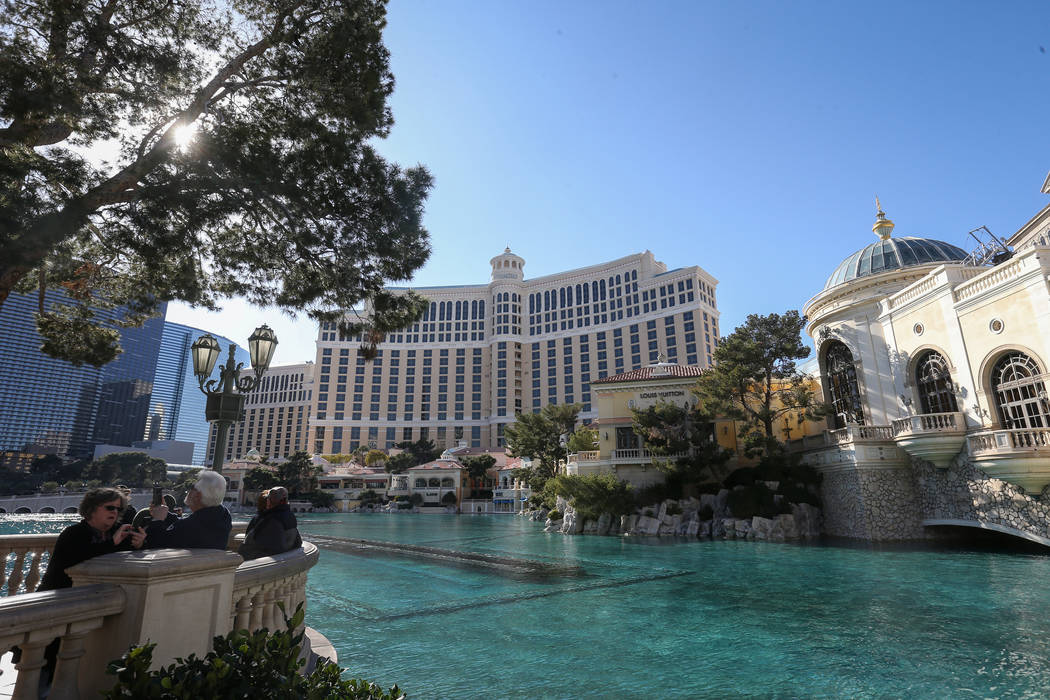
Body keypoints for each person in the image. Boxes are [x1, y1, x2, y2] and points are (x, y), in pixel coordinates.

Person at [39, 487, 146, 591]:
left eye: (119, 509)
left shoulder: (120, 533)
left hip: (100, 595)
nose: (115, 512)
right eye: (110, 508)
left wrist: (139, 544)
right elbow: (84, 554)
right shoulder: (73, 533)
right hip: (57, 597)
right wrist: (112, 542)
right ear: (92, 509)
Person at [144, 470, 232, 550]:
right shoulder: (225, 516)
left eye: (193, 487)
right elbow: (190, 524)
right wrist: (166, 515)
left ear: (198, 496)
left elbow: (155, 543)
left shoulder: (188, 526)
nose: (189, 491)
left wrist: (157, 519)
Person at [237, 486, 302, 560]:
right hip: (284, 558)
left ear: (270, 501)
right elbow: (298, 542)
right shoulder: (290, 516)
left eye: (268, 499)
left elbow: (274, 548)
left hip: (254, 563)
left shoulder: (271, 520)